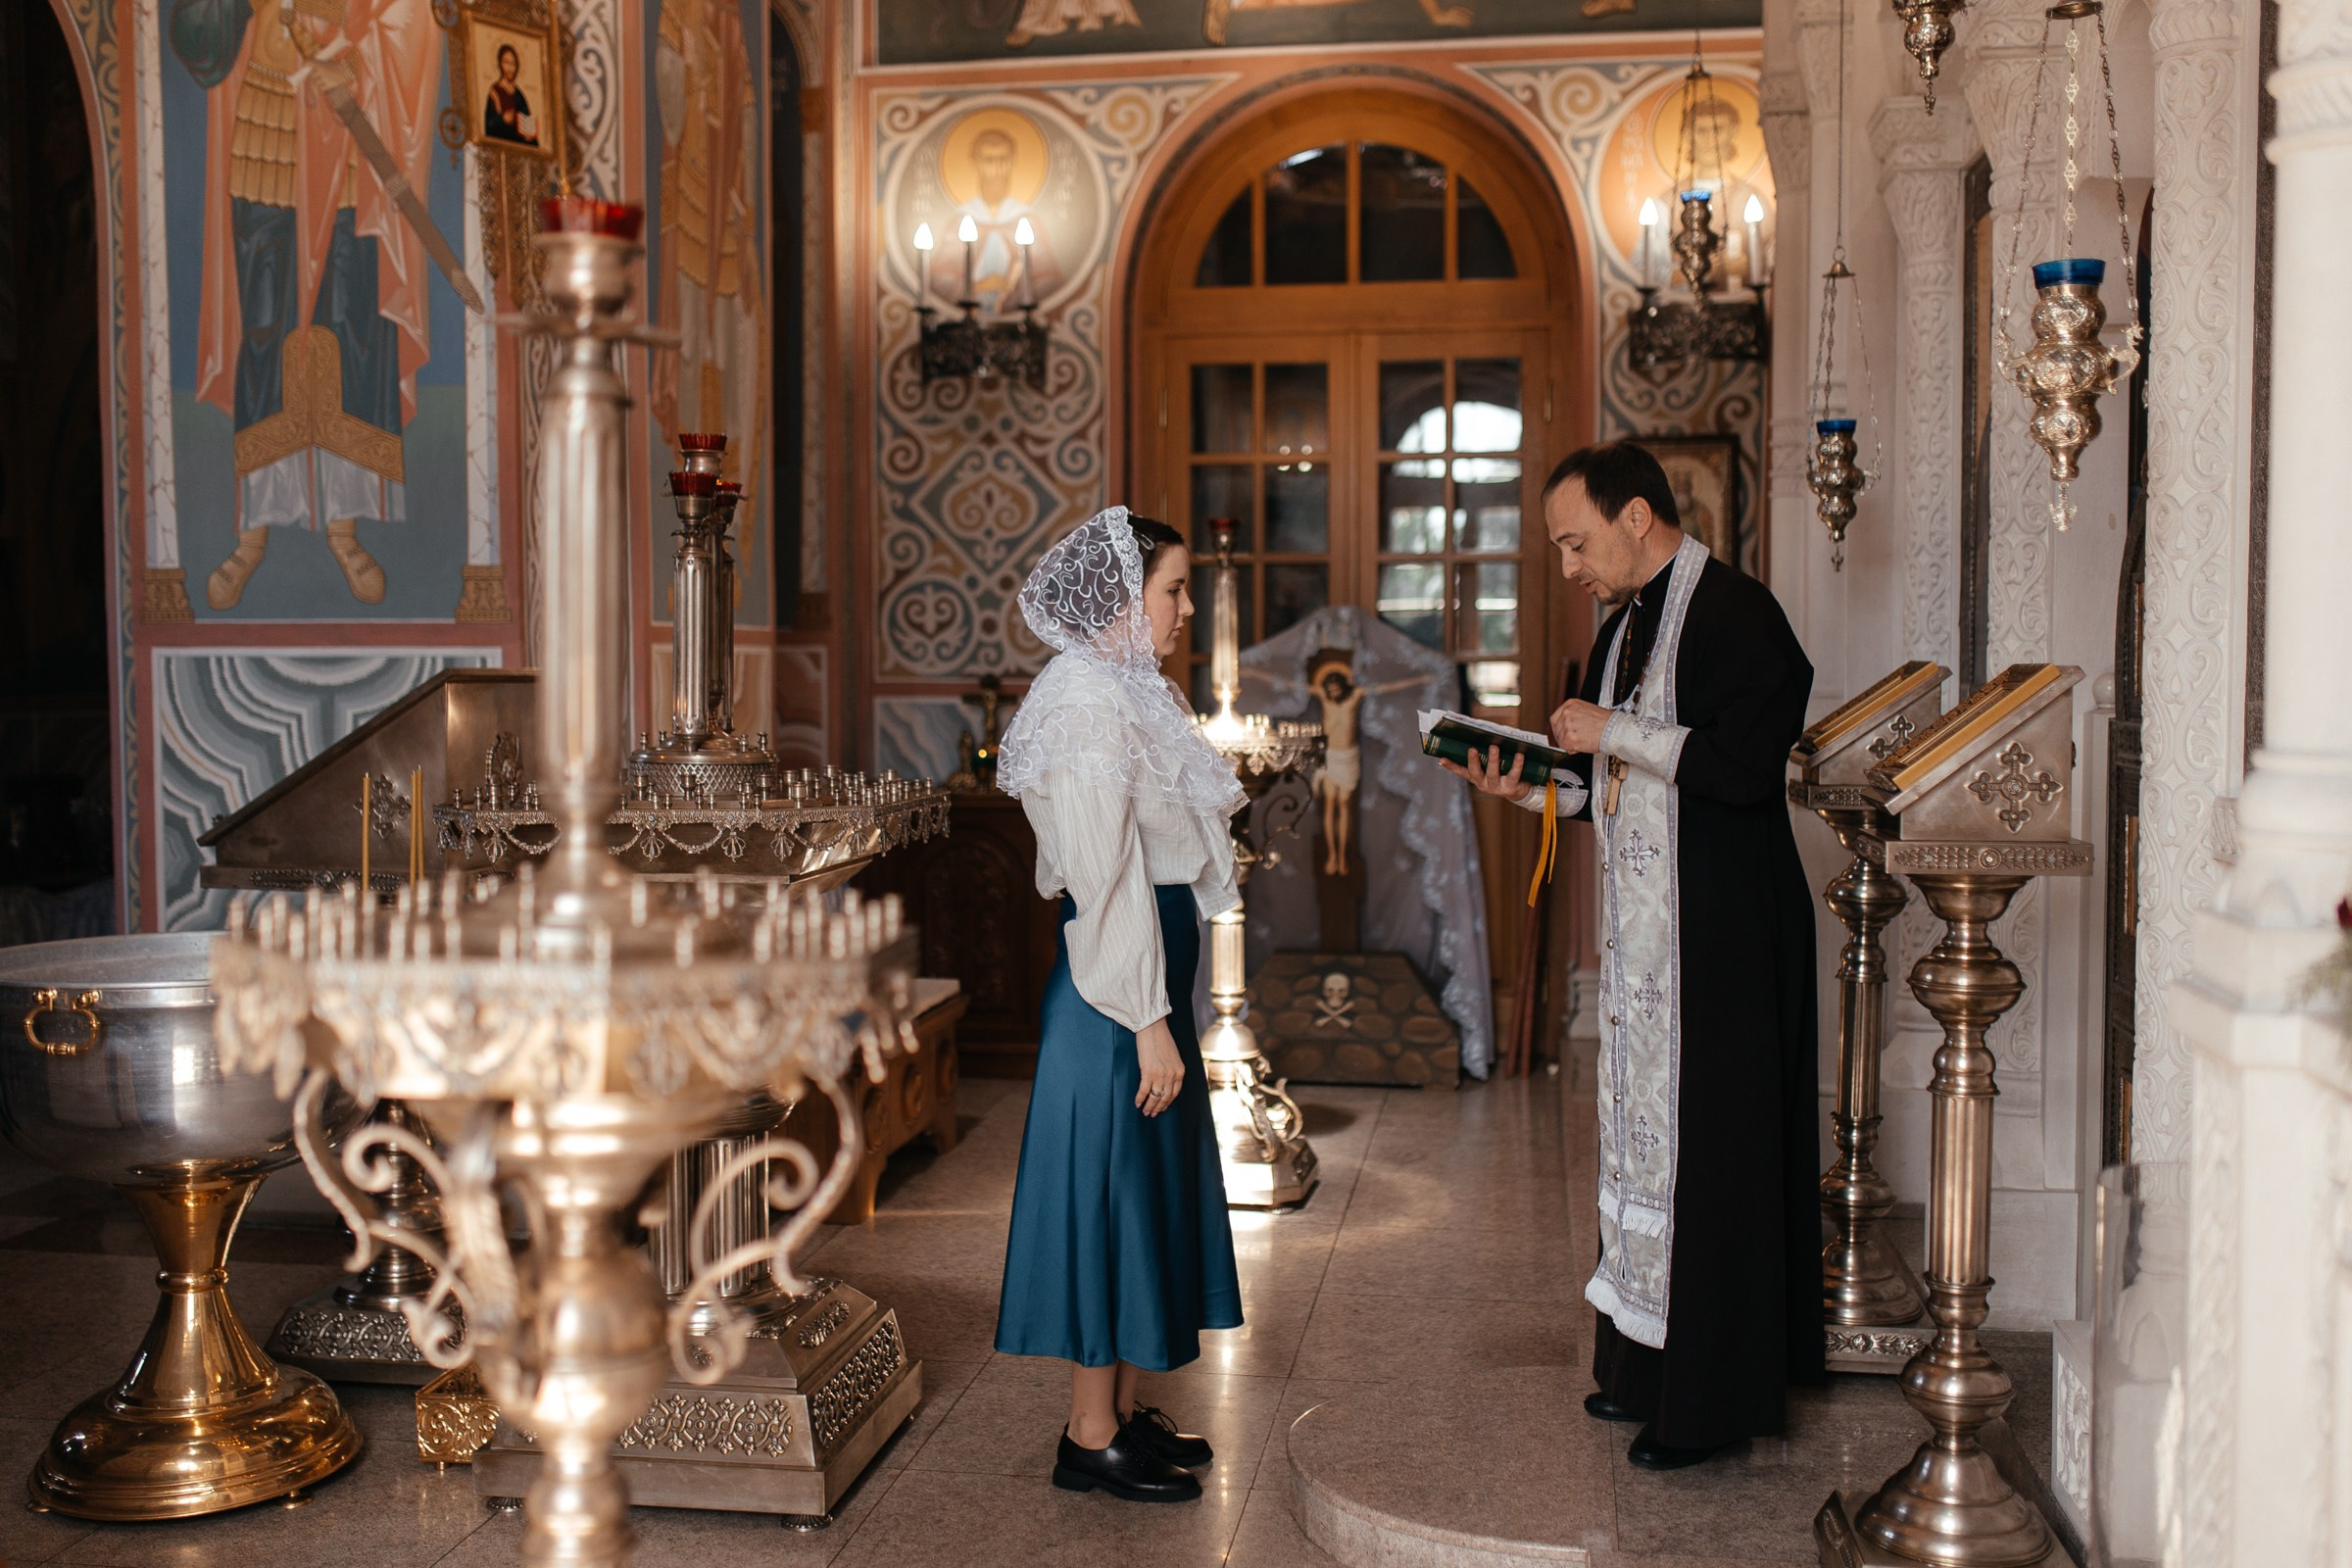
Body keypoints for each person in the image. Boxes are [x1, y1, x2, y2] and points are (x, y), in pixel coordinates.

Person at [1442, 441, 1823, 1470]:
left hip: (1729, 936)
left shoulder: (1741, 614)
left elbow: (1746, 767)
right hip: (1656, 947)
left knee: (1718, 1158)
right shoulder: (1622, 628)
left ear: (1638, 517)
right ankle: (1645, 1370)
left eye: (1576, 540)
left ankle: (1712, 1404)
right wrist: (1524, 784)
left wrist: (1616, 729)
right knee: (1647, 1151)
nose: (1569, 565)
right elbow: (1601, 786)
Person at [994, 508, 1247, 1503]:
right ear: (1120, 593)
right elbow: (1105, 877)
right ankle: (1087, 1434)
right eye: (1175, 589)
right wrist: (1145, 1017)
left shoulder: (1125, 690)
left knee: (1144, 1197)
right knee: (1113, 1199)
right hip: (1112, 994)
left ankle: (1122, 1411)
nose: (1188, 608)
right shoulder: (1086, 702)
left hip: (1142, 980)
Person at [483, 43, 538, 146]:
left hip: (519, 146)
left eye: (513, 64)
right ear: (500, 64)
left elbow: (527, 122)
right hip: (501, 145)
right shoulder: (495, 92)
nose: (510, 68)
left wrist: (530, 135)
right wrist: (503, 120)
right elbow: (488, 126)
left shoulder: (519, 94)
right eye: (506, 62)